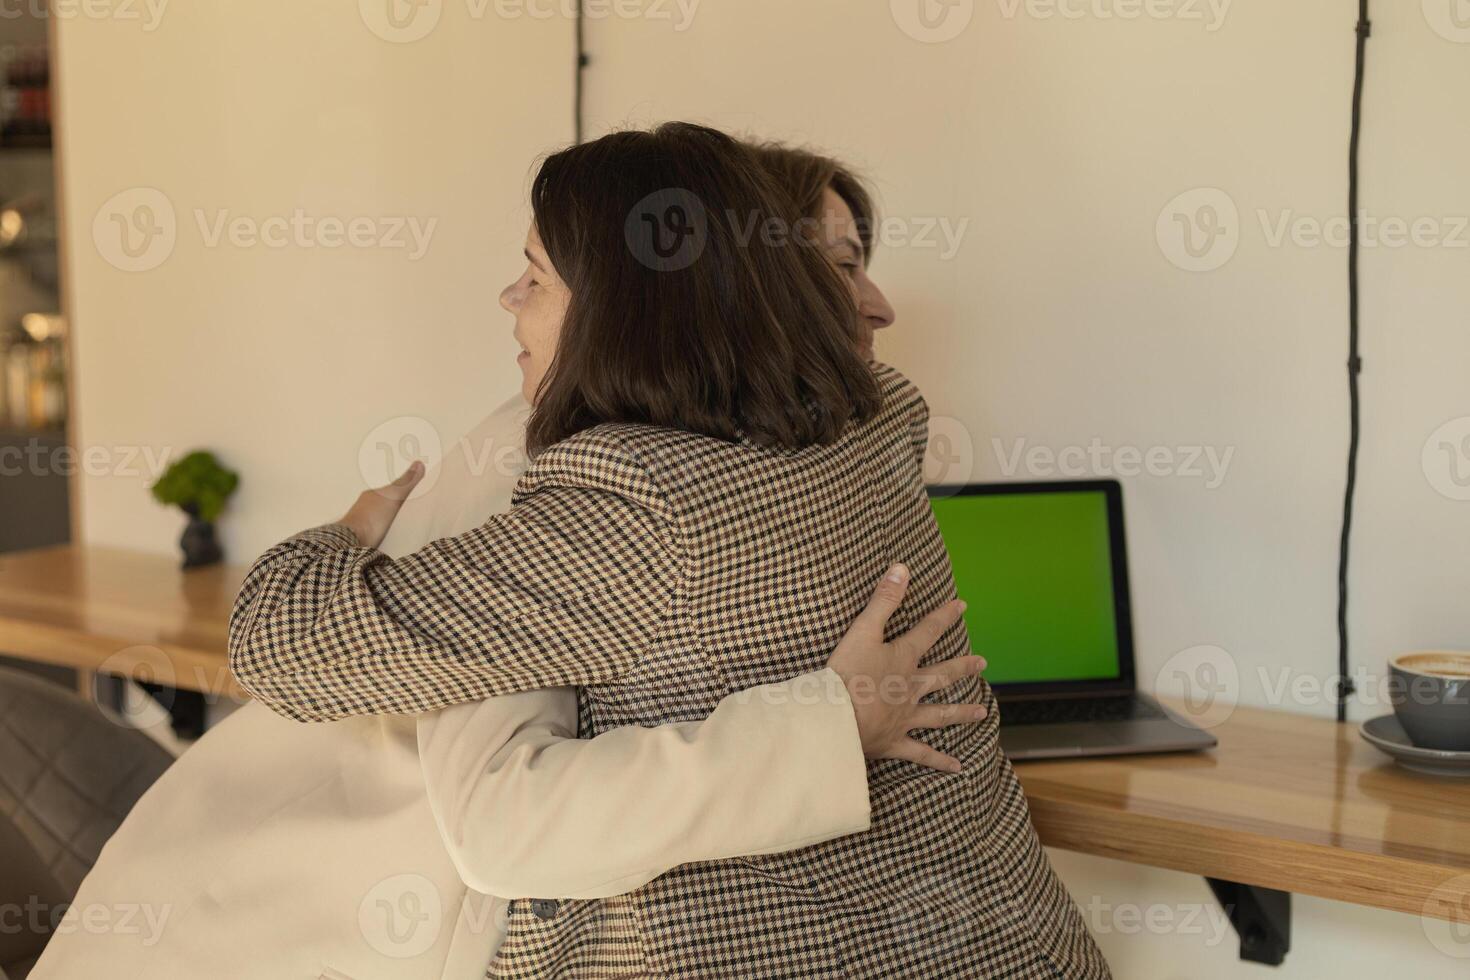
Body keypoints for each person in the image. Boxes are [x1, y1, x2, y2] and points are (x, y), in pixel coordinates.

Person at [30, 152, 977, 980]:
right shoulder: (563, 472)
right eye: (841, 265)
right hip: (284, 925)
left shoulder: (773, 456)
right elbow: (507, 815)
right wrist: (827, 730)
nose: (878, 303)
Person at [231, 122, 1111, 979]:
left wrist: (347, 531)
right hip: (1019, 941)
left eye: (533, 277)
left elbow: (279, 645)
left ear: (619, 308)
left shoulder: (630, 501)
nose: (508, 300)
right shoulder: (882, 412)